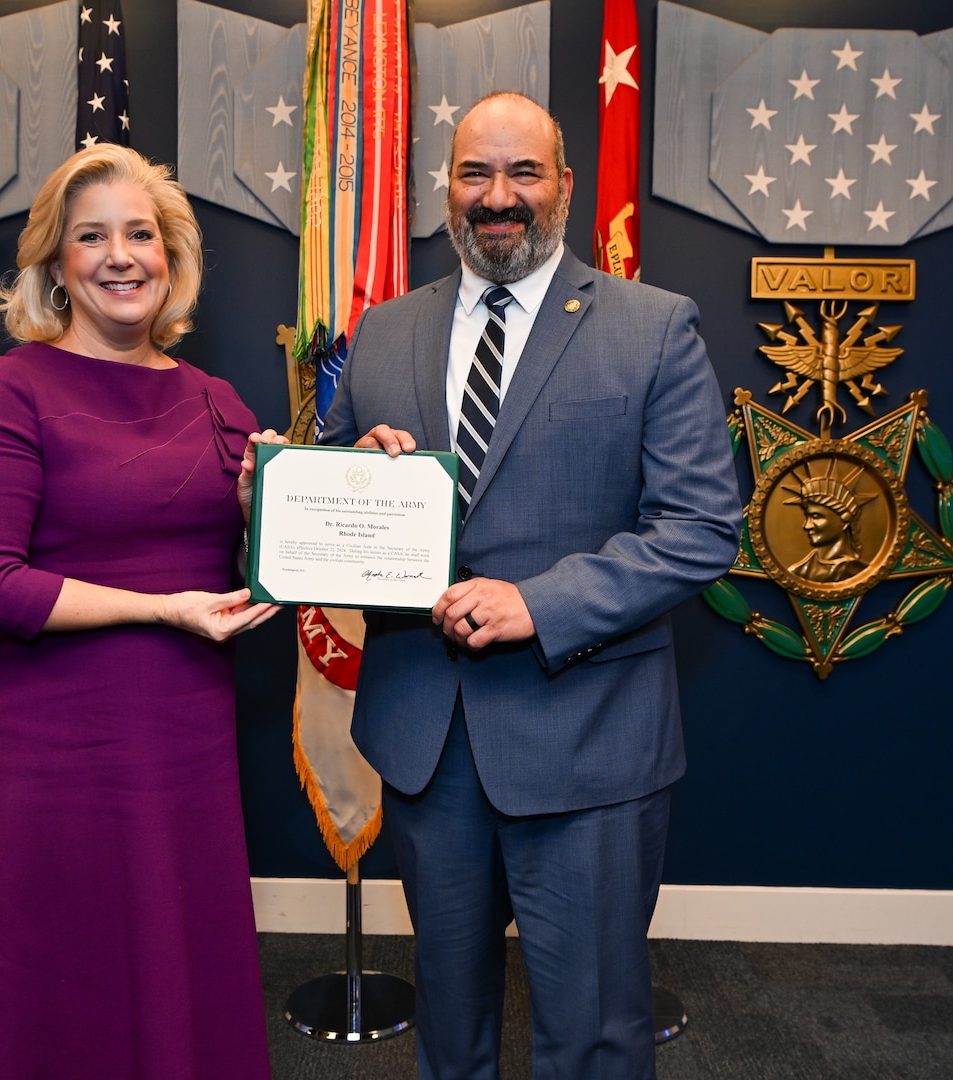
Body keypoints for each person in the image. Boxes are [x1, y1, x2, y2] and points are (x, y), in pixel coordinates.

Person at [319, 92, 742, 1079]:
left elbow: (700, 531)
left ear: (562, 186)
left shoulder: (652, 328)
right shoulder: (380, 331)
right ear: (447, 187)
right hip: (426, 741)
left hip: (587, 737)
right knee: (449, 1031)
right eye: (474, 173)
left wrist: (535, 603)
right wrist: (342, 474)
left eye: (522, 174)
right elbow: (330, 499)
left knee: (592, 1031)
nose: (496, 197)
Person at [0, 144, 280, 1080]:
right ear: (56, 263)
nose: (120, 256)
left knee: (181, 953)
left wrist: (289, 506)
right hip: (62, 742)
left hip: (184, 734)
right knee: (66, 967)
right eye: (92, 237)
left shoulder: (217, 402)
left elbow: (263, 570)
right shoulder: (11, 389)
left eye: (141, 234)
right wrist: (157, 611)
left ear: (171, 256)